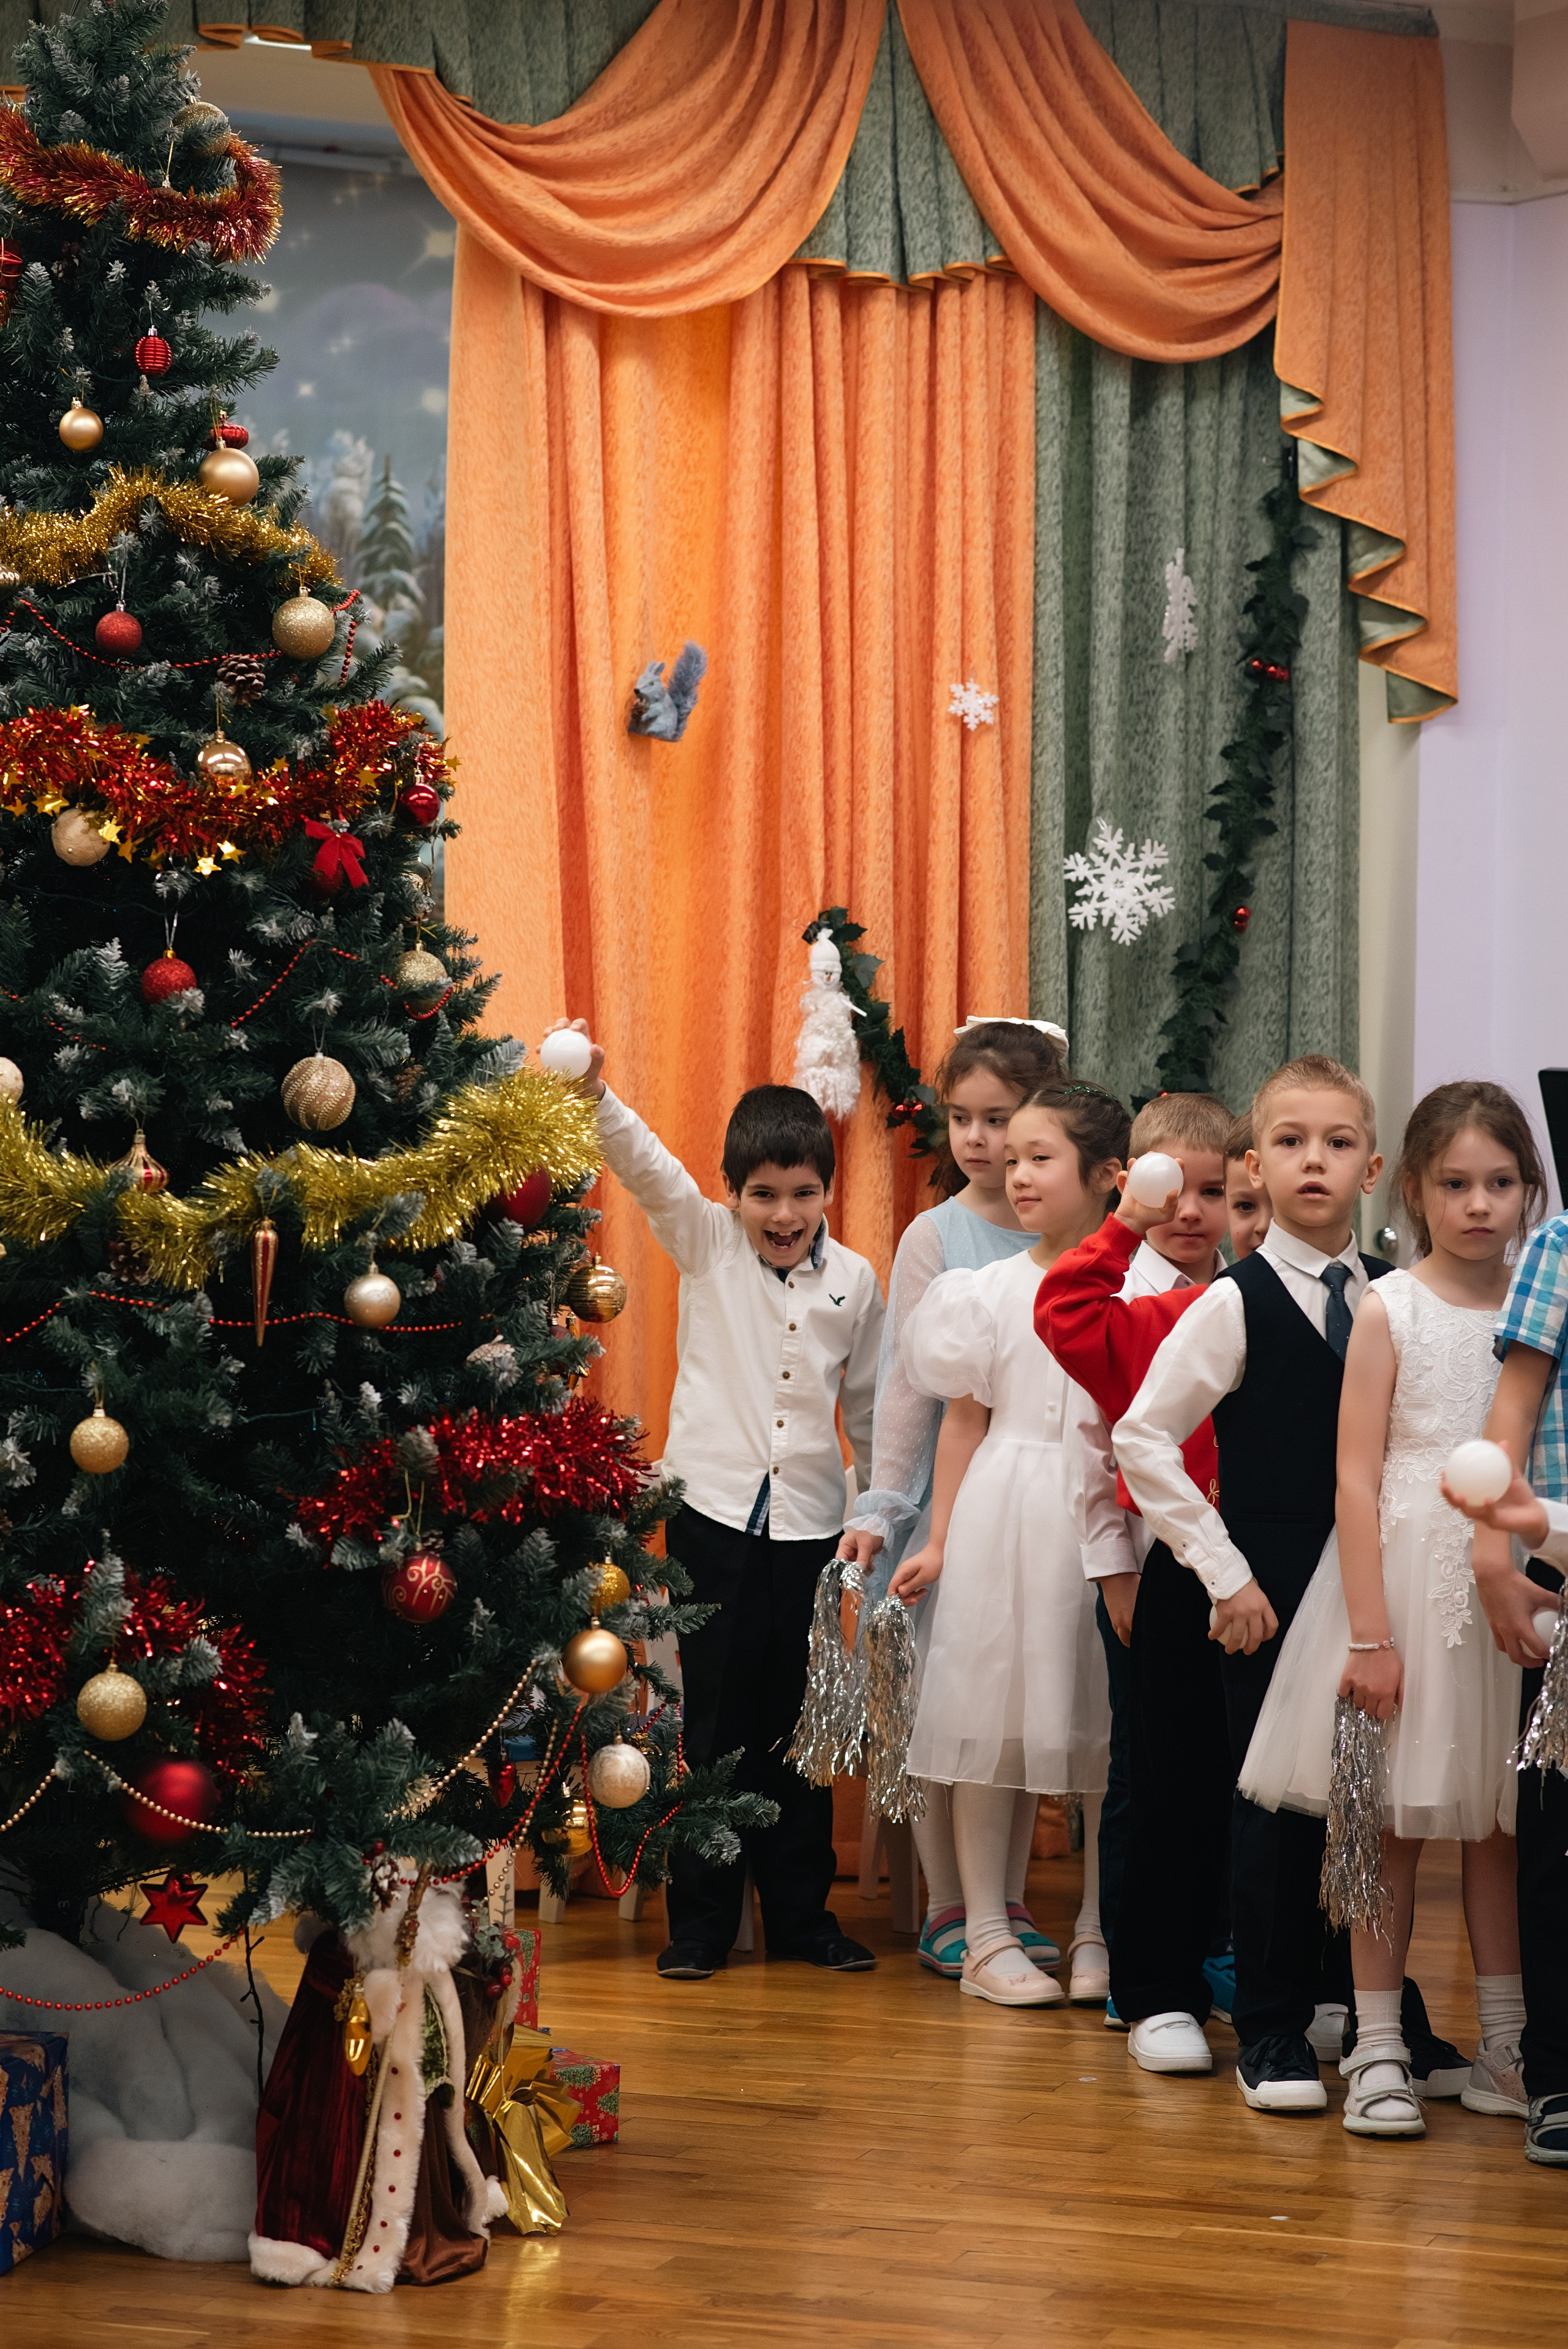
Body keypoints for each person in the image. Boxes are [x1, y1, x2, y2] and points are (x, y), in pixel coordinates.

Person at [1242, 1082, 1545, 2135]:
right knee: (1385, 1825)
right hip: (1400, 1583)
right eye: (1455, 1184)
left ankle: (1507, 2045)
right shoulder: (1390, 1305)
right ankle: (1377, 2046)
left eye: (1499, 1183)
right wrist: (1369, 1633)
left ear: (1528, 1192)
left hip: (1505, 1584)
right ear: (1411, 1188)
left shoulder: (1535, 1305)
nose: (1477, 1204)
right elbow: (1356, 1480)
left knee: (1499, 1827)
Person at [555, 1020, 884, 1980]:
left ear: (828, 1190)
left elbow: (867, 1407)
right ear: (735, 1193)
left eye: (803, 1193)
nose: (784, 1214)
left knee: (798, 1727)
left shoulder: (856, 1281)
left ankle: (801, 1918)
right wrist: (597, 1096)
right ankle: (698, 1924)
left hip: (813, 1529)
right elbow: (649, 1166)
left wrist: (872, 1513)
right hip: (710, 1520)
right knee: (711, 1726)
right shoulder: (706, 1243)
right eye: (763, 1195)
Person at [1114, 1054, 1392, 2115]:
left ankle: (1351, 2001)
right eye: (1289, 1142)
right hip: (1260, 1585)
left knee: (1355, 1796)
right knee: (1264, 1805)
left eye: (1336, 1142)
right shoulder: (1234, 1303)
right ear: (1255, 1169)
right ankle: (1265, 2028)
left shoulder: (1389, 1301)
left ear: (1371, 1167)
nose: (1312, 1161)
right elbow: (1143, 1437)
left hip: (1363, 1581)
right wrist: (1224, 1574)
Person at [836, 1016, 1071, 1981]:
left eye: (1000, 1120)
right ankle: (944, 1902)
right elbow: (905, 1387)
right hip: (946, 1494)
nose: (978, 1141)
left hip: (1034, 1491)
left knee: (1010, 1703)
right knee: (943, 1706)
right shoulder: (937, 1234)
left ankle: (1004, 1898)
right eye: (963, 1119)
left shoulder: (1069, 1228)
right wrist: (885, 1504)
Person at [888, 1083, 1129, 2007]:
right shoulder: (983, 1293)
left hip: (1108, 1518)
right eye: (1012, 1158)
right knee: (992, 1719)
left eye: (1041, 1158)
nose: (1017, 1174)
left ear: (1107, 1176)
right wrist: (941, 1538)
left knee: (1108, 1725)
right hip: (1004, 1510)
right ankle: (985, 1933)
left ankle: (1103, 1929)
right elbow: (963, 1422)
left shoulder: (1150, 1289)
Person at [1055, 1092, 1232, 2043]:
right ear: (1132, 1187)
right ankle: (1137, 1964)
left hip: (1231, 1567)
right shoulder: (1118, 1296)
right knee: (1144, 1773)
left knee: (1218, 1765)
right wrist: (1114, 1568)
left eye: (1215, 1191)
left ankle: (1214, 1945)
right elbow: (1091, 1448)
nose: (1193, 1213)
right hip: (1147, 1565)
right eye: (1175, 1191)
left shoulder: (1237, 1294)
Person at [1444, 1191, 1568, 2167]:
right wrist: (1495, 1555)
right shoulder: (1564, 1244)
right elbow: (1515, 1407)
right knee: (1556, 1830)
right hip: (1559, 1564)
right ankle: (1556, 2072)